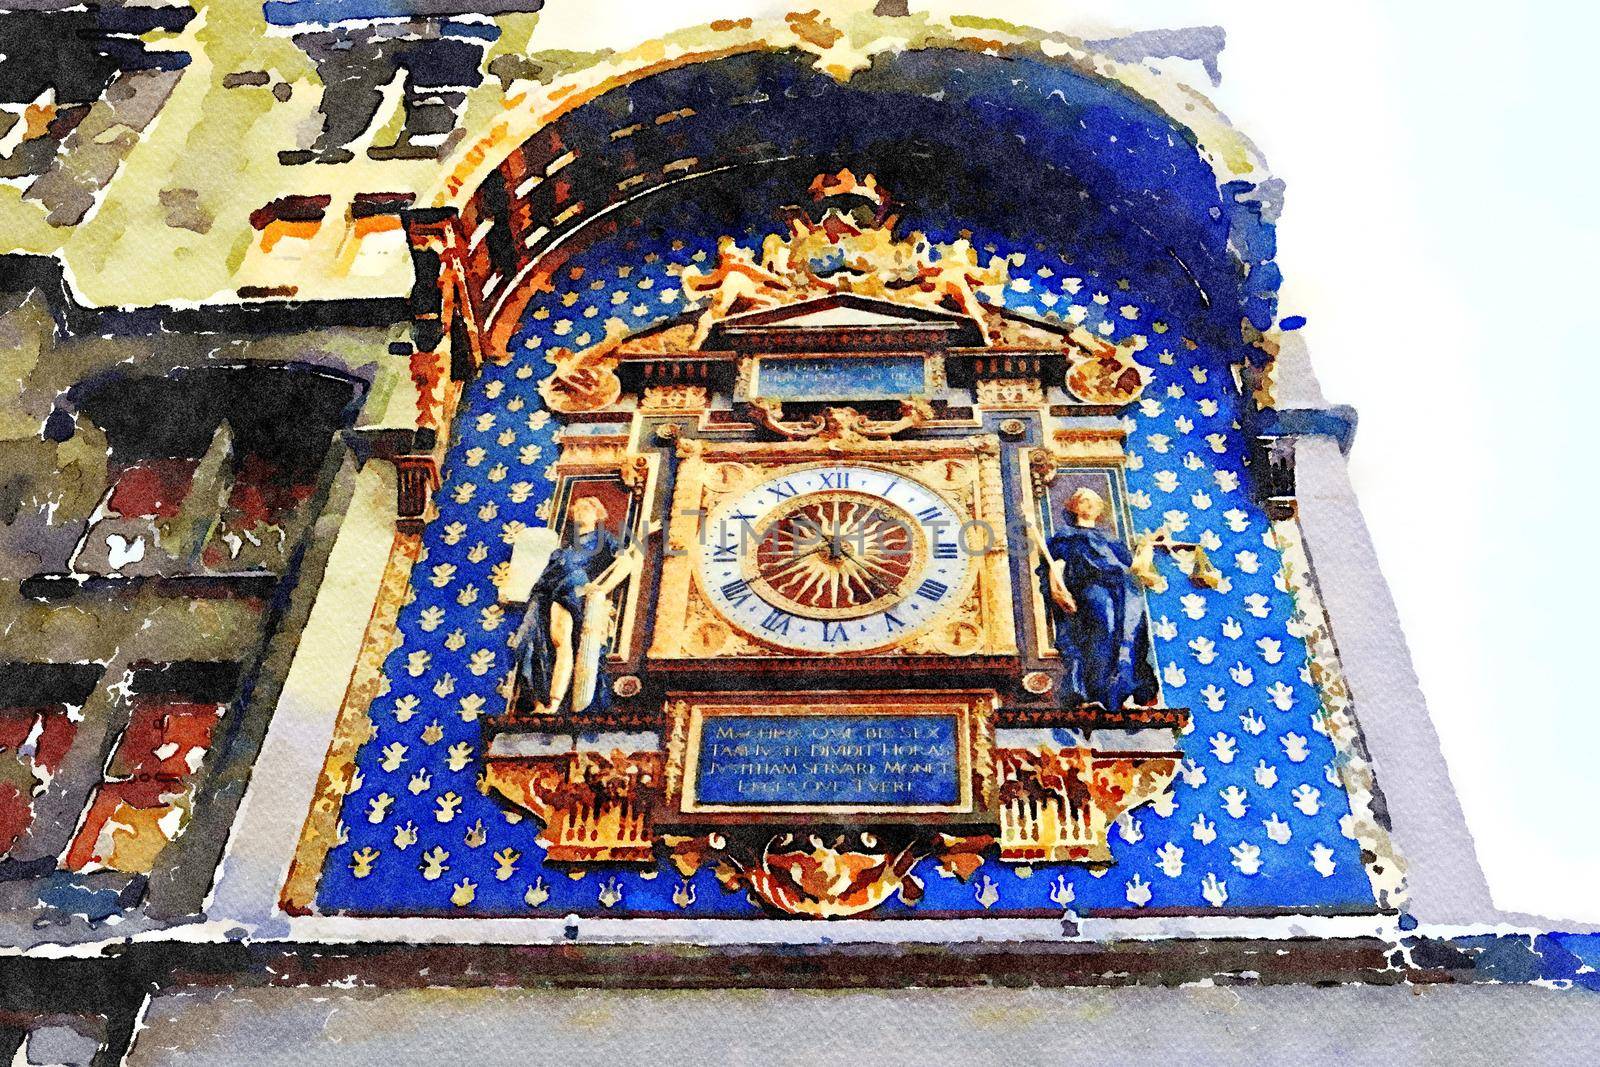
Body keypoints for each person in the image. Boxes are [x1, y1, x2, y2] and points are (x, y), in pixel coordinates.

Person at [1025, 487, 1160, 712]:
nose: (1089, 505)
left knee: (1131, 635)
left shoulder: (1110, 539)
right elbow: (1056, 565)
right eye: (1084, 501)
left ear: (1099, 510)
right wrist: (1059, 592)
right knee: (1103, 630)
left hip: (1125, 593)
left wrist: (1147, 548)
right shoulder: (1066, 536)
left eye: (1094, 502)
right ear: (1074, 505)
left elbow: (1133, 567)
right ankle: (1098, 693)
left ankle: (1120, 692)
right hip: (1093, 589)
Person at [511, 497, 640, 715]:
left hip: (572, 593)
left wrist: (601, 589)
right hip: (549, 595)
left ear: (597, 514)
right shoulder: (565, 548)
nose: (581, 512)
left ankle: (554, 701)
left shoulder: (602, 539)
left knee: (562, 641)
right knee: (540, 643)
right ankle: (540, 699)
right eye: (577, 508)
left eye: (587, 508)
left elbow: (627, 562)